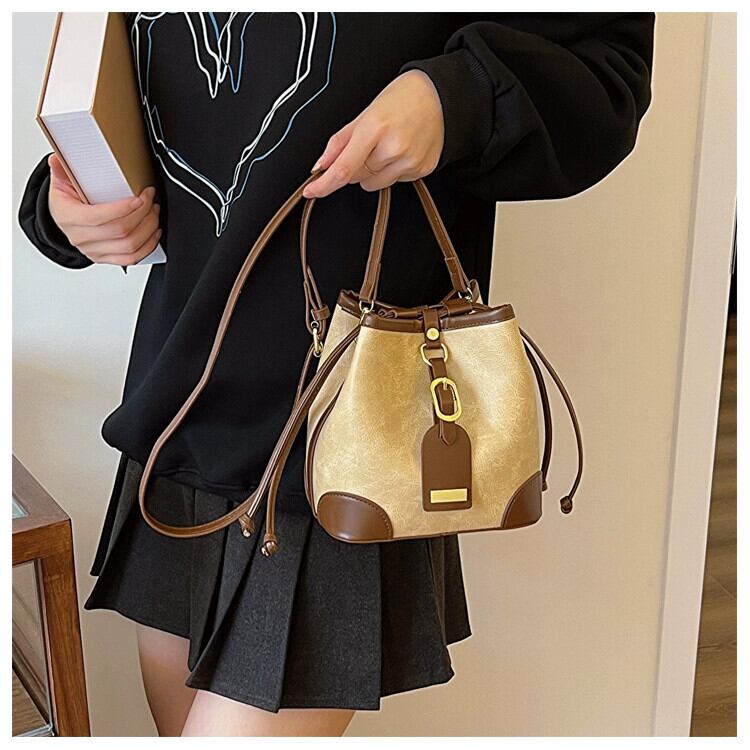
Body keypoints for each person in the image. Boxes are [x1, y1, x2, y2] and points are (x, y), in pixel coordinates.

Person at [18, 12, 655, 737]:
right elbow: (142, 96)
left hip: (348, 440)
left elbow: (607, 76)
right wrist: (68, 205)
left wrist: (451, 96)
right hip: (179, 416)